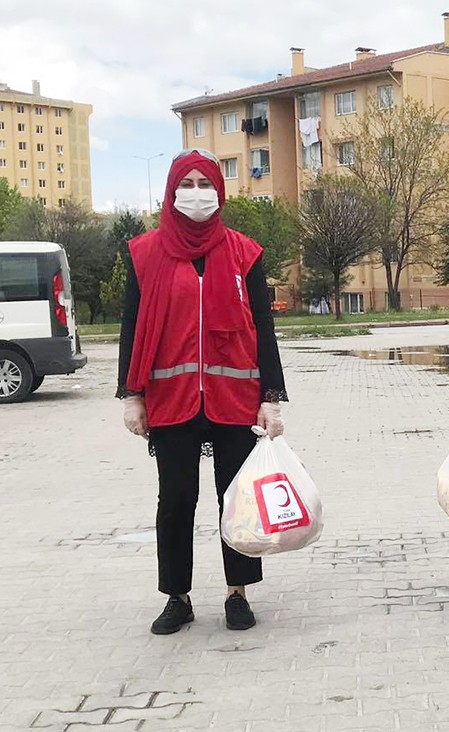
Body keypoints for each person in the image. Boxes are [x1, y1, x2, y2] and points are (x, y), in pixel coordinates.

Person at [117, 149, 287, 634]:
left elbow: (262, 327)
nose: (196, 192)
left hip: (233, 398)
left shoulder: (243, 252)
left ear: (220, 190)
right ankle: (177, 596)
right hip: (171, 401)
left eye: (205, 182)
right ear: (172, 191)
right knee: (175, 499)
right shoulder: (145, 252)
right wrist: (132, 394)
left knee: (234, 499)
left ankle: (238, 592)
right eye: (186, 183)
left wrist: (270, 397)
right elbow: (132, 327)